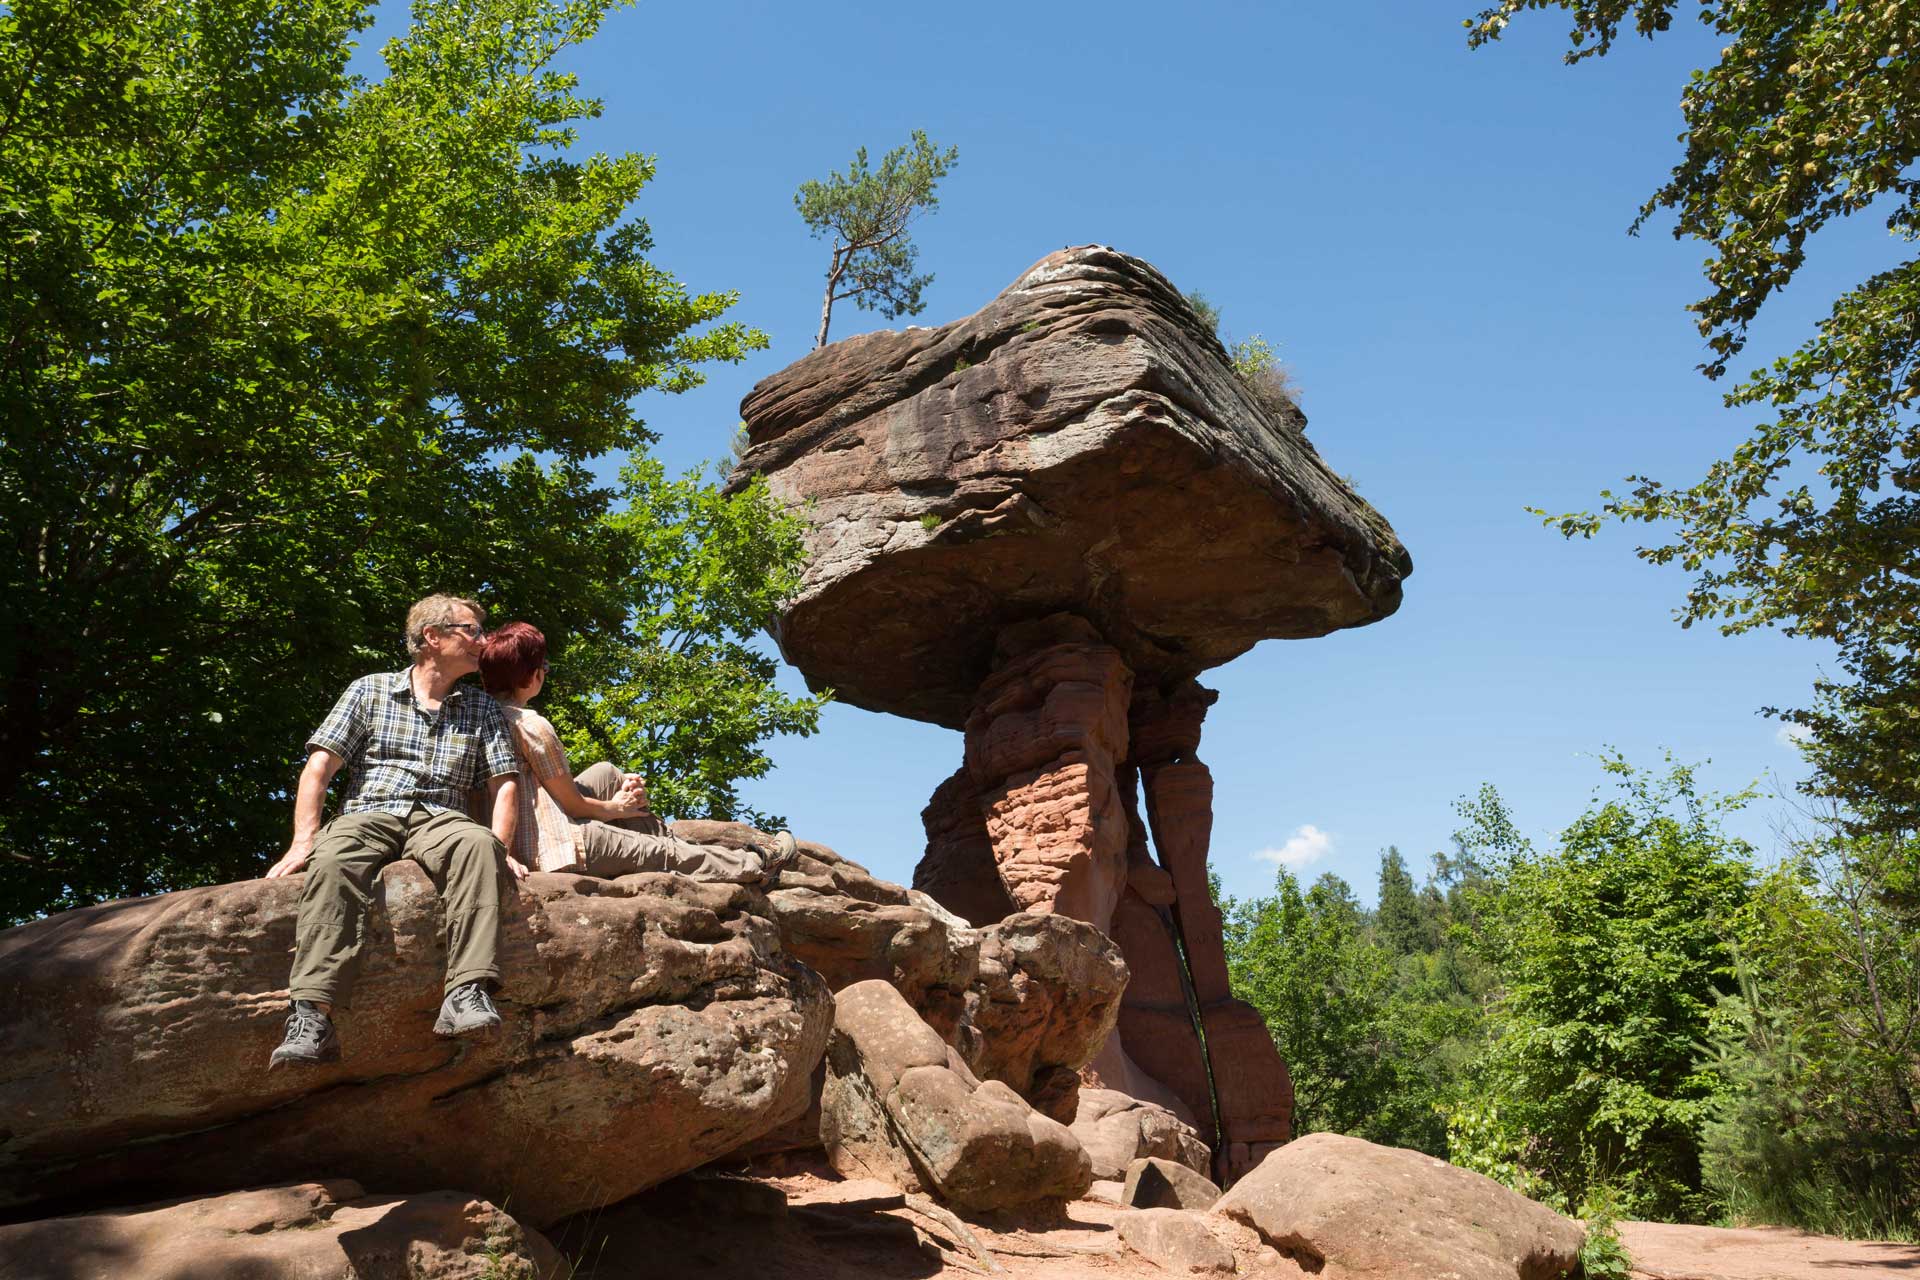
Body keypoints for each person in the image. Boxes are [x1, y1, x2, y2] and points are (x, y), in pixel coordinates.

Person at [264, 594, 523, 1070]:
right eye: (472, 630)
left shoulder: (483, 709)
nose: (483, 642)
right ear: (433, 636)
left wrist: (501, 848)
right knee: (333, 858)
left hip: (443, 816)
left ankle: (466, 993)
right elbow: (319, 767)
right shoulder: (370, 690)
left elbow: (504, 785)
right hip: (369, 810)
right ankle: (311, 1017)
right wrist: (304, 840)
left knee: (478, 845)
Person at [476, 622, 799, 880]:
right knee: (659, 853)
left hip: (523, 826)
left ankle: (675, 843)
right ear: (532, 675)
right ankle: (758, 864)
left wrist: (619, 804)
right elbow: (571, 803)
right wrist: (617, 808)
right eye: (543, 665)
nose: (545, 671)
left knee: (606, 772)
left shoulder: (478, 714)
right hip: (553, 844)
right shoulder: (531, 724)